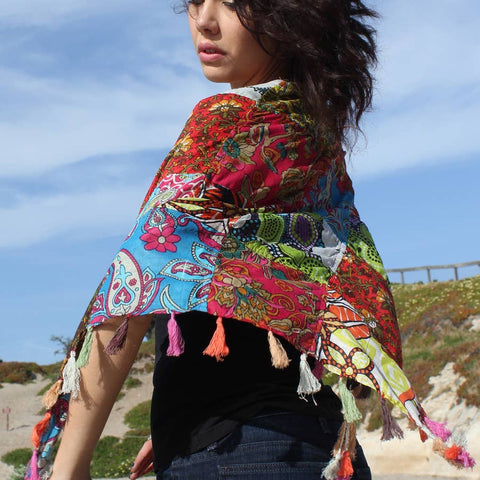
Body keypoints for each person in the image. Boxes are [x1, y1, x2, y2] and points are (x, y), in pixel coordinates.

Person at [26, 1, 475, 480]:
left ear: (289, 16)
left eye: (235, 4)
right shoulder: (312, 133)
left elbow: (133, 291)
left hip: (238, 452)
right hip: (325, 453)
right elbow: (292, 294)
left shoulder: (222, 121)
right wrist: (181, 420)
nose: (204, 21)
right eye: (196, 2)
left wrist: (68, 468)